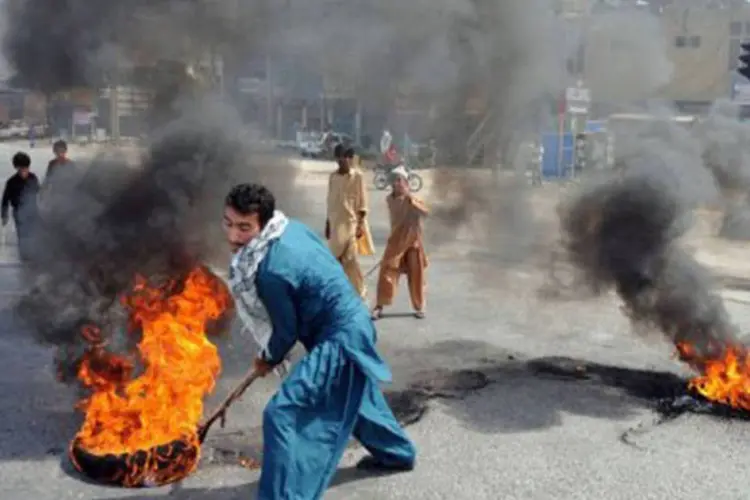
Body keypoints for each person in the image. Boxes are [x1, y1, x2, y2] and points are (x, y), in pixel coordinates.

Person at [223, 183, 416, 500]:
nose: (233, 236)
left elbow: (285, 333)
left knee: (282, 413)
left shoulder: (270, 272)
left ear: (262, 223)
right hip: (353, 320)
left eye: (245, 227)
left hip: (340, 335)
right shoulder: (291, 228)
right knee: (358, 395)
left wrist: (266, 358)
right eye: (229, 223)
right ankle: (397, 452)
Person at [372, 166, 429, 320]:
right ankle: (379, 306)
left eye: (399, 180)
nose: (396, 184)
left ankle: (420, 305)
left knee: (417, 275)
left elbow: (425, 212)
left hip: (412, 242)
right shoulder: (390, 199)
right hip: (396, 242)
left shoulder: (413, 200)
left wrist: (414, 203)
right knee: (386, 273)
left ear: (406, 182)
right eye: (394, 181)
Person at [325, 144, 372, 298]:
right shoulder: (333, 177)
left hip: (351, 224)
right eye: (338, 158)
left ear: (349, 158)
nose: (341, 161)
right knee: (335, 262)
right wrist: (327, 222)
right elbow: (330, 201)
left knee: (351, 260)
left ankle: (360, 291)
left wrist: (360, 226)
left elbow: (363, 204)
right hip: (335, 225)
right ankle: (340, 293)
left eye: (344, 158)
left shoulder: (357, 177)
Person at [1, 152, 40, 261]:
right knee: (22, 236)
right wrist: (4, 215)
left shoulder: (33, 178)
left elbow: (39, 192)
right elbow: (5, 199)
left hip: (33, 211)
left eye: (25, 169)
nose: (23, 172)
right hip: (18, 213)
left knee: (34, 235)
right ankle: (25, 258)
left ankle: (36, 256)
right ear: (17, 168)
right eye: (21, 169)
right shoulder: (11, 182)